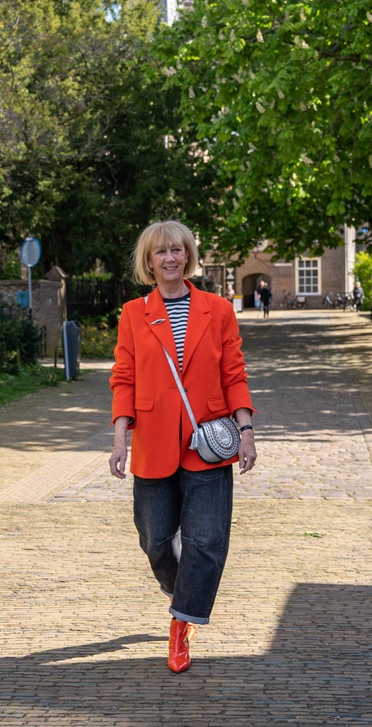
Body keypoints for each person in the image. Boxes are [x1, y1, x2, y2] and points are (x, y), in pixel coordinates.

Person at [109, 220, 257, 674]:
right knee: (154, 539)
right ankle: (183, 591)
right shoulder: (134, 313)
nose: (170, 258)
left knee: (207, 539)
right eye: (161, 252)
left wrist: (246, 429)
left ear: (189, 256)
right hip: (153, 439)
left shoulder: (218, 309)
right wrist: (119, 437)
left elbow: (234, 371)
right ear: (148, 262)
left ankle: (181, 624)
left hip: (207, 440)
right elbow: (124, 377)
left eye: (177, 250)